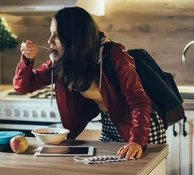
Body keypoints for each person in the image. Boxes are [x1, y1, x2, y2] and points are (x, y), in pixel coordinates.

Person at [13, 6, 166, 160]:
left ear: (74, 38)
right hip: (109, 123)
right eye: (50, 33)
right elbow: (23, 86)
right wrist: (27, 60)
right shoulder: (63, 61)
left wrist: (137, 141)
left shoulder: (114, 55)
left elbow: (139, 102)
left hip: (140, 126)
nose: (49, 40)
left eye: (57, 35)